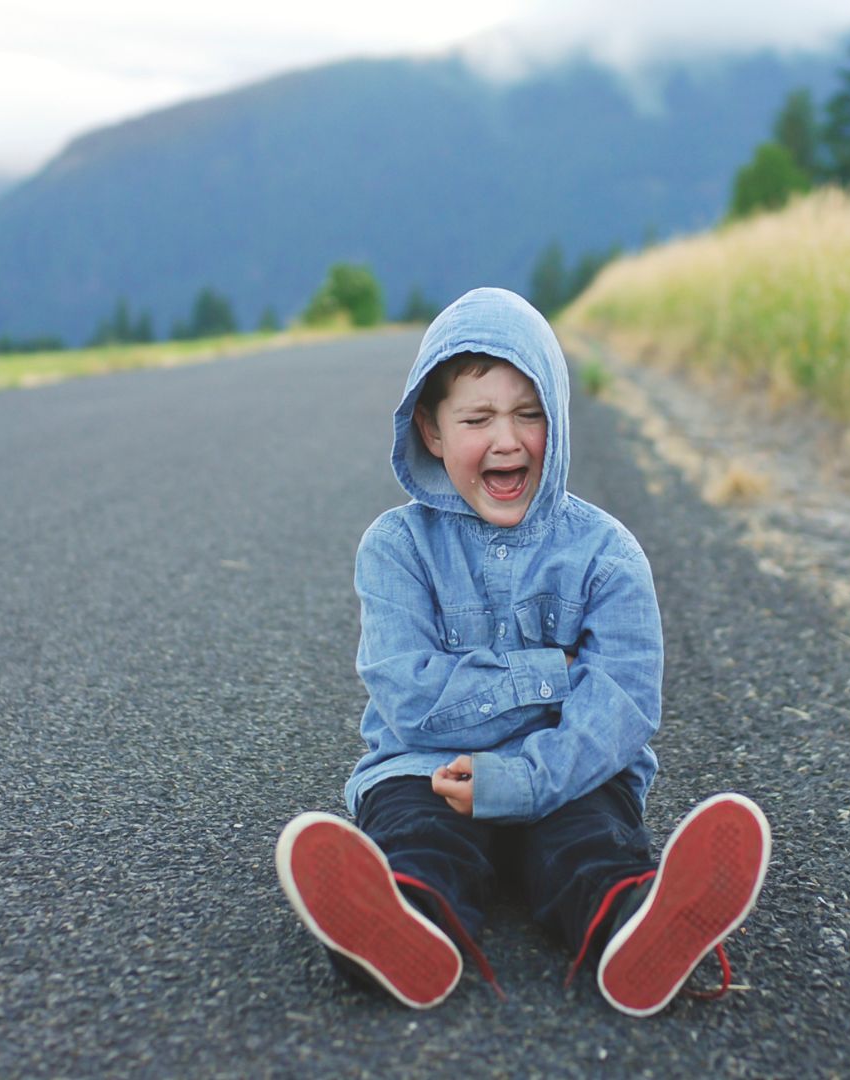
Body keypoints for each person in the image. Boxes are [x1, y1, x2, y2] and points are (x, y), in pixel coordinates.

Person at [274, 287, 770, 1016]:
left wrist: (522, 781)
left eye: (530, 414)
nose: (507, 441)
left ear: (560, 423)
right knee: (418, 838)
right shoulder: (396, 548)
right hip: (426, 770)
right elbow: (410, 697)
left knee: (587, 847)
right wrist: (549, 673)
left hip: (569, 772)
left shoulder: (607, 555)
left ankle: (641, 922)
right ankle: (395, 926)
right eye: (477, 418)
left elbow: (621, 709)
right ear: (432, 431)